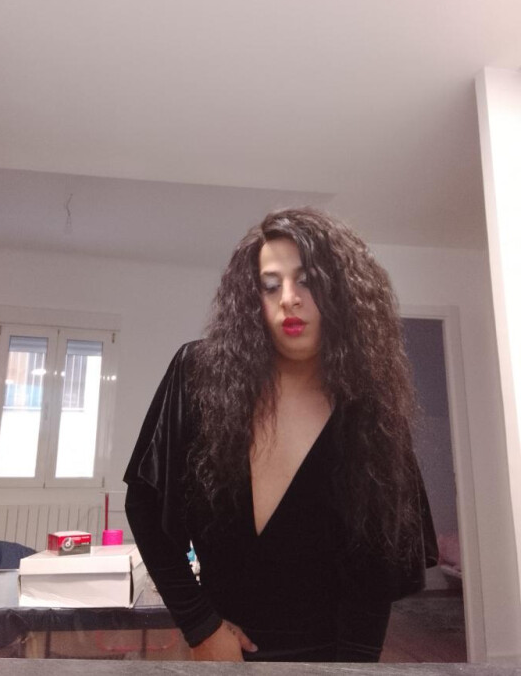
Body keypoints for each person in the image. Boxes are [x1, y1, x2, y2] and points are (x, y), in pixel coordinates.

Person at [124, 207, 437, 662]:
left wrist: (353, 670)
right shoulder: (198, 375)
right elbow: (144, 505)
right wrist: (201, 626)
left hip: (328, 657)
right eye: (270, 286)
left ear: (342, 292)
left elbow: (377, 566)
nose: (289, 299)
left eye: (307, 281)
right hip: (221, 654)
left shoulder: (369, 406)